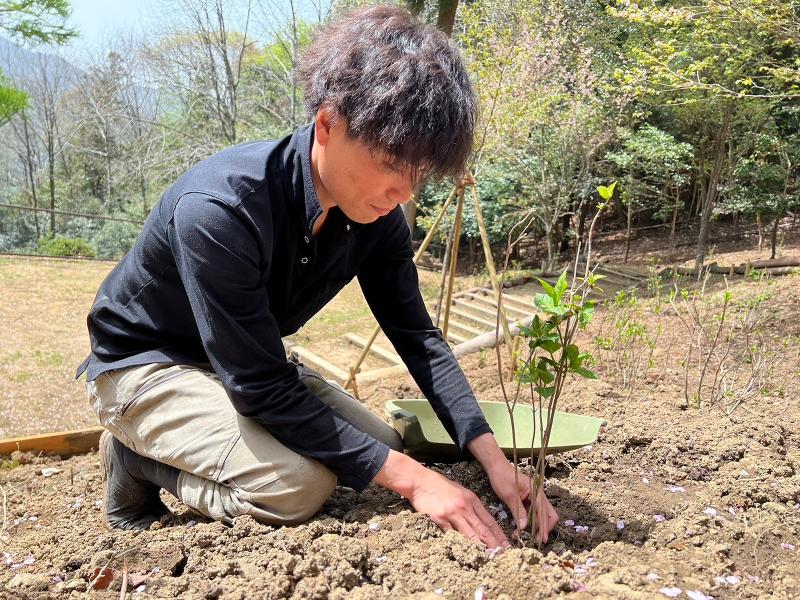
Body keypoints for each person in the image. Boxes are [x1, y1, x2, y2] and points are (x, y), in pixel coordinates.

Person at [77, 5, 559, 548]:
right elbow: (259, 387)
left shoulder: (372, 214)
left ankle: (197, 443)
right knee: (296, 485)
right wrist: (418, 480)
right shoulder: (220, 210)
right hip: (147, 366)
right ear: (328, 123)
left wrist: (493, 459)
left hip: (241, 360)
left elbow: (418, 337)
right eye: (392, 162)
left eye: (420, 173)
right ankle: (133, 456)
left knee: (378, 440)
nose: (405, 193)